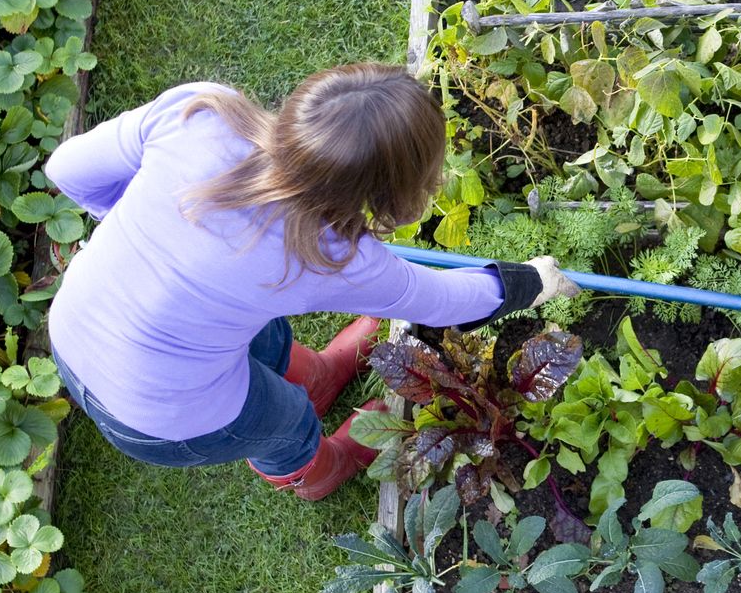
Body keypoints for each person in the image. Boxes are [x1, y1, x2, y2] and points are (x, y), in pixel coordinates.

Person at [43, 65, 574, 500]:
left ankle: (317, 376)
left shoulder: (201, 113)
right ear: (393, 191)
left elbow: (66, 168)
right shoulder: (329, 255)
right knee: (285, 420)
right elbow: (440, 301)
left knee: (260, 331)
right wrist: (531, 282)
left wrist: (135, 228)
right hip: (152, 413)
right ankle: (321, 471)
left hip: (72, 328)